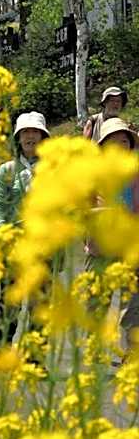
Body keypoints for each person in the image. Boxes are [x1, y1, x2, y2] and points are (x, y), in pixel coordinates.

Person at [0, 111, 49, 345]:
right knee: (9, 306)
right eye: (25, 132)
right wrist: (2, 230)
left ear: (44, 137)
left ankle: (34, 360)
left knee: (41, 307)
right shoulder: (6, 170)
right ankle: (2, 353)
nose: (30, 136)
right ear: (18, 137)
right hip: (14, 246)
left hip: (44, 247)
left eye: (35, 131)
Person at [85, 117, 139, 356]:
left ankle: (132, 352)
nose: (120, 145)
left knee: (133, 302)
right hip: (101, 242)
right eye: (113, 141)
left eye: (124, 141)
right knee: (97, 299)